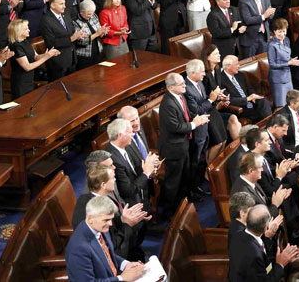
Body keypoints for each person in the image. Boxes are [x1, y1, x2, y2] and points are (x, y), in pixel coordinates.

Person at [157, 72, 209, 220]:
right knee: (173, 182)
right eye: (181, 84)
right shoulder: (167, 104)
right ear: (171, 87)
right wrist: (195, 124)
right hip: (173, 148)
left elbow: (186, 115)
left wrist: (196, 118)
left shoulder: (180, 97)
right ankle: (169, 212)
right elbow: (176, 127)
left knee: (183, 178)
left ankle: (180, 207)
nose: (185, 85)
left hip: (184, 145)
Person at [64, 195, 146, 282]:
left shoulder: (99, 228)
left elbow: (108, 255)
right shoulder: (79, 249)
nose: (110, 224)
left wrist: (125, 264)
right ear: (90, 218)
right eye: (106, 220)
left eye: (111, 219)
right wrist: (122, 278)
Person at [228, 204, 299, 282]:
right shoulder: (254, 255)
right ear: (265, 228)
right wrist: (280, 264)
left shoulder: (237, 236)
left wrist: (285, 259)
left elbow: (263, 264)